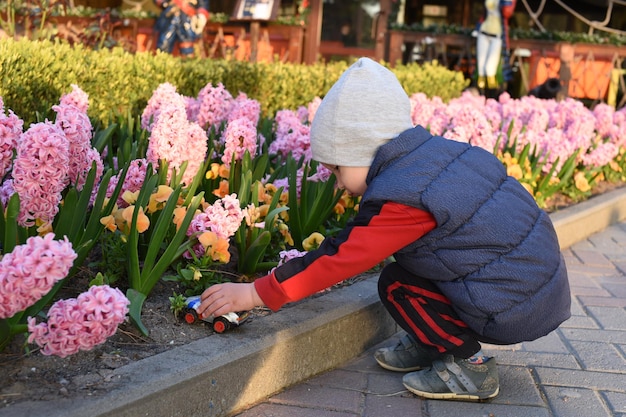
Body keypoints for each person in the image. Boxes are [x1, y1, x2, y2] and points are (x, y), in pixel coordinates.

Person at [198, 57, 571, 401]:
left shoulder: (407, 198)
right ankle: (435, 342)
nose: (339, 184)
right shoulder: (436, 157)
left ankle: (467, 367)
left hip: (512, 306)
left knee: (396, 284)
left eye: (338, 169)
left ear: (365, 151)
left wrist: (254, 293)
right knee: (404, 269)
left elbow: (343, 257)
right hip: (531, 288)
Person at [475, 0, 516, 95]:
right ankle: (481, 95)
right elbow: (484, 14)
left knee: (490, 68)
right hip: (483, 32)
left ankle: (492, 96)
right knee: (481, 66)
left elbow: (507, 13)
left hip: (497, 35)